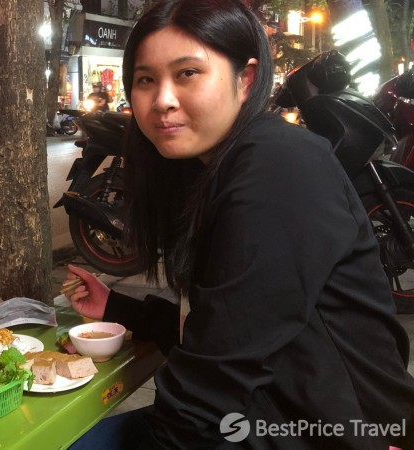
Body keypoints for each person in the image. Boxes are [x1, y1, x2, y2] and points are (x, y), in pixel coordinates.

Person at [66, 1, 414, 448]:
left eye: (187, 73)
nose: (163, 99)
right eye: (146, 79)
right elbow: (228, 325)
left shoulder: (277, 166)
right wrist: (119, 309)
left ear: (245, 79)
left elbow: (216, 374)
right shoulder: (210, 169)